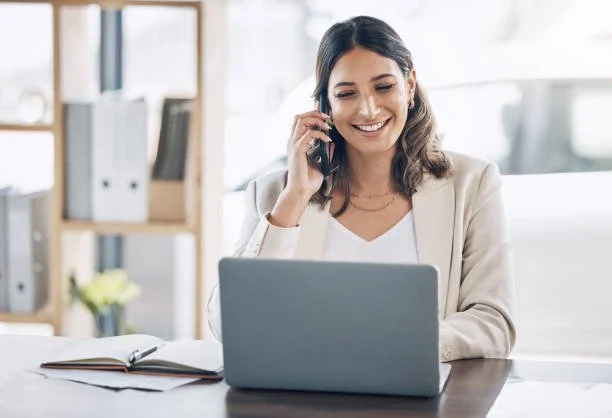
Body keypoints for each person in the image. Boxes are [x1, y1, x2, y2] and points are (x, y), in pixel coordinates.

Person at [208, 15, 515, 362]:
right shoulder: (275, 194)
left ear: (409, 85)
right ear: (325, 105)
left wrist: (390, 341)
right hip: (302, 398)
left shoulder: (472, 183)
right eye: (346, 93)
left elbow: (494, 324)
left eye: (383, 87)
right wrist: (294, 200)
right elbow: (227, 323)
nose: (368, 109)